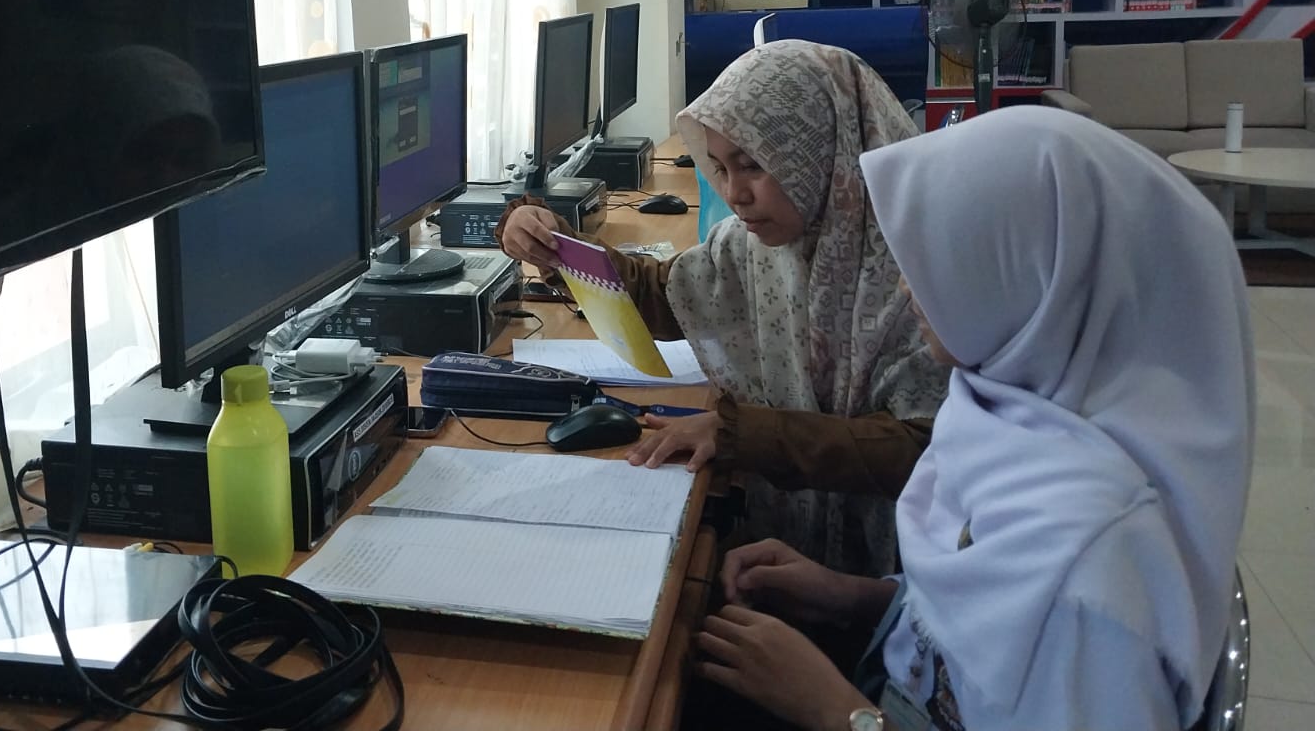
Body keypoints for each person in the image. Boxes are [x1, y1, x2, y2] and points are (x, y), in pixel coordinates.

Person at [695, 106, 1254, 731]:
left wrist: (837, 710)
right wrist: (852, 596)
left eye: (943, 258)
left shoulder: (1090, 572)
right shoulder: (1006, 410)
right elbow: (986, 622)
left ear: (1037, 275)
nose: (907, 289)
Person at [498, 40, 950, 575]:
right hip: (785, 546)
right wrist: (556, 245)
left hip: (892, 576)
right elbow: (665, 295)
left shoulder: (919, 271)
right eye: (719, 167)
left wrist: (741, 433)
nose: (734, 193)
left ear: (821, 152)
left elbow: (922, 448)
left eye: (753, 165)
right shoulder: (753, 243)